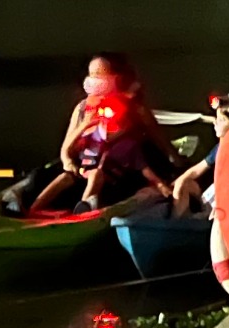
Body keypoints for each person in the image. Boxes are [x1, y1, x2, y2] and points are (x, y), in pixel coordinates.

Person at [17, 53, 173, 214]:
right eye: (91, 75)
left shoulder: (135, 110)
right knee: (39, 177)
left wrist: (174, 161)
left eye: (99, 75)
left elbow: (159, 141)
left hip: (119, 177)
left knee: (105, 178)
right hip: (83, 168)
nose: (93, 80)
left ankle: (86, 207)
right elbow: (67, 148)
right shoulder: (83, 108)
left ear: (116, 78)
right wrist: (68, 161)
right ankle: (27, 207)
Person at [167, 89, 229, 215]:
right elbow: (195, 170)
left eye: (222, 120)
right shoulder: (221, 147)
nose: (215, 122)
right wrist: (175, 185)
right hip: (212, 198)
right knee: (184, 183)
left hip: (226, 204)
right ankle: (175, 224)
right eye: (216, 118)